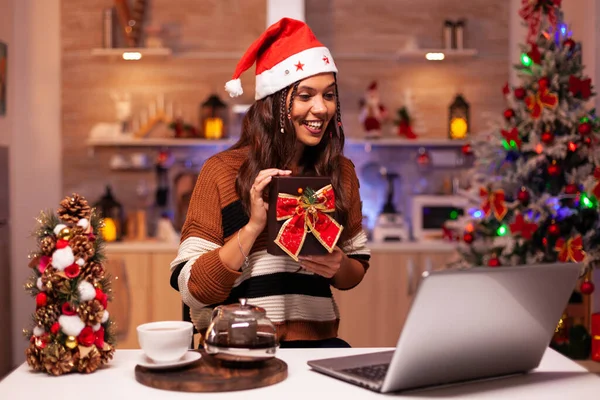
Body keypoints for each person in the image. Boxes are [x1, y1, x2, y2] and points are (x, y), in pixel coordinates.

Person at [169, 18, 370, 348]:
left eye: (329, 95)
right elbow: (193, 288)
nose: (321, 108)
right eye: (305, 95)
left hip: (315, 349)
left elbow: (355, 269)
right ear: (274, 104)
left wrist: (337, 265)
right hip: (238, 350)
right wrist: (252, 228)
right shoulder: (220, 172)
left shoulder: (340, 172)